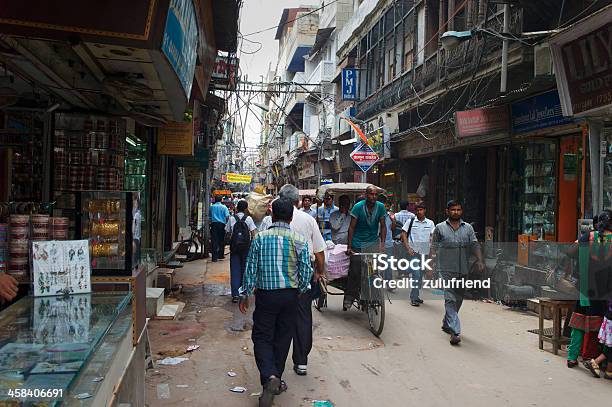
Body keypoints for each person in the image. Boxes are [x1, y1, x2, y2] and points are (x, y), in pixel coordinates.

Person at [238, 198, 313, 407]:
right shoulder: (299, 239)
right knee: (283, 337)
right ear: (290, 217)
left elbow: (251, 268)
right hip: (290, 296)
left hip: (266, 296)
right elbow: (306, 269)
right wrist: (302, 289)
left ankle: (270, 377)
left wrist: (245, 294)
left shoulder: (260, 238)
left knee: (262, 337)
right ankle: (275, 378)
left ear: (272, 216)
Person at [278, 184, 326, 377]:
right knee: (302, 318)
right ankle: (301, 362)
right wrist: (319, 272)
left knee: (279, 319)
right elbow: (319, 252)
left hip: (277, 279)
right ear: (298, 201)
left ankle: (276, 366)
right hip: (303, 278)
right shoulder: (308, 220)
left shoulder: (269, 219)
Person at [431, 200, 484, 345]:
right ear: (447, 211)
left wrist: (480, 260)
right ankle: (455, 331)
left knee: (459, 299)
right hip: (445, 269)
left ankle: (447, 322)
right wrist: (430, 265)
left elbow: (474, 244)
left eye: (458, 209)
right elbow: (433, 247)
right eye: (453, 210)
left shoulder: (468, 228)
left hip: (463, 269)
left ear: (461, 211)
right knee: (450, 299)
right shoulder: (439, 228)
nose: (456, 212)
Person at [566, 211, 610, 369]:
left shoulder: (587, 237)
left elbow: (570, 253)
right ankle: (590, 357)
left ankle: (572, 357)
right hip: (602, 290)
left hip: (585, 287)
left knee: (578, 322)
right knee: (596, 324)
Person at [345, 186, 387, 310]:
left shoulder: (380, 207)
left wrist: (382, 244)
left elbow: (383, 226)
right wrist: (349, 246)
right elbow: (351, 227)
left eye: (375, 194)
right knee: (355, 270)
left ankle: (374, 295)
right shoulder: (358, 207)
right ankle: (350, 296)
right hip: (358, 243)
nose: (373, 197)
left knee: (374, 271)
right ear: (366, 194)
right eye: (371, 194)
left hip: (373, 243)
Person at [401, 202, 435, 306]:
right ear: (415, 211)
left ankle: (407, 271)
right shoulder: (410, 221)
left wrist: (431, 254)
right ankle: (414, 297)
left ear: (425, 210)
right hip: (413, 251)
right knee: (416, 273)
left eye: (421, 210)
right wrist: (407, 247)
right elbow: (403, 234)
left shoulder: (430, 223)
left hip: (424, 251)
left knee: (420, 274)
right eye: (418, 210)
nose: (419, 212)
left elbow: (432, 238)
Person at [226, 200, 257, 303]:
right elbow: (253, 234)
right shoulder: (248, 219)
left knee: (235, 270)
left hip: (234, 248)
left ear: (237, 208)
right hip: (246, 248)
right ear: (245, 209)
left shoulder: (231, 218)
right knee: (245, 269)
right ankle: (243, 292)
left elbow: (227, 232)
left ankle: (235, 295)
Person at [210, 195, 230, 262]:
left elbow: (209, 215)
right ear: (221, 200)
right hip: (222, 225)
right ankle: (221, 255)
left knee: (214, 240)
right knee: (221, 240)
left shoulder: (212, 207)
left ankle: (214, 257)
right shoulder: (224, 207)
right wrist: (227, 224)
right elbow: (227, 217)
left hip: (214, 224)